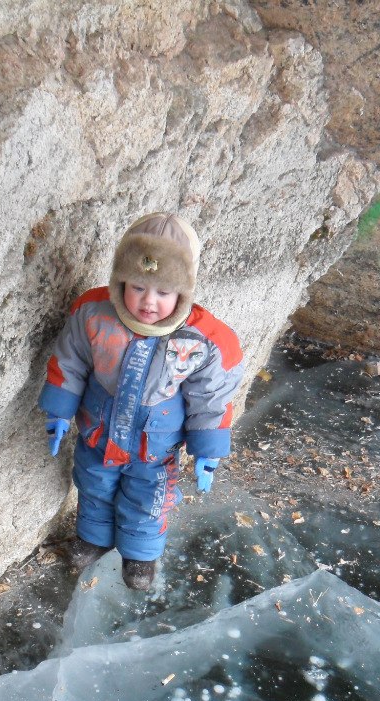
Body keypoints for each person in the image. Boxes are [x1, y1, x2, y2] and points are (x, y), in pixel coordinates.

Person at [38, 212, 244, 590]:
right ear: (120, 280)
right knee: (93, 483)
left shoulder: (205, 340)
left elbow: (211, 396)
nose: (149, 302)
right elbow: (70, 360)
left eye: (164, 292)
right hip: (99, 430)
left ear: (183, 291)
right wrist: (60, 410)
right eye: (137, 287)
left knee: (148, 497)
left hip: (156, 445)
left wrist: (207, 449)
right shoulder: (93, 312)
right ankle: (92, 537)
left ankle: (141, 554)